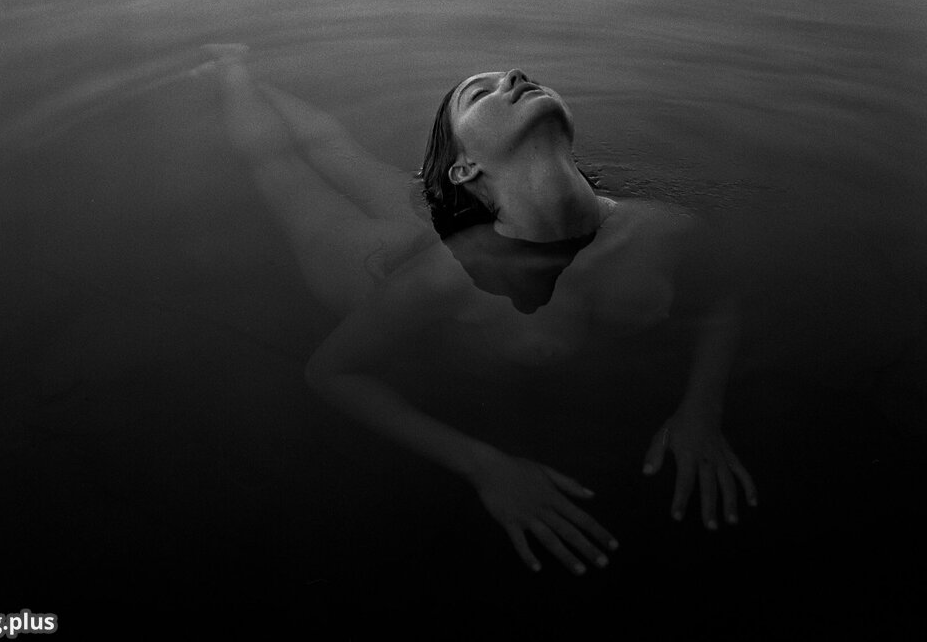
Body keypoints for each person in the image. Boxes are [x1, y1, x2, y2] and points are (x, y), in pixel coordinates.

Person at [198, 46, 757, 576]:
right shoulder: (444, 280)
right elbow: (330, 372)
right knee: (283, 167)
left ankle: (238, 66)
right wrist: (484, 465)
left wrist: (701, 409)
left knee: (335, 148)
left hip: (461, 225)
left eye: (512, 77)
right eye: (480, 93)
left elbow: (716, 307)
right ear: (464, 168)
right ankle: (231, 68)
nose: (514, 75)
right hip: (367, 262)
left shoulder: (665, 228)